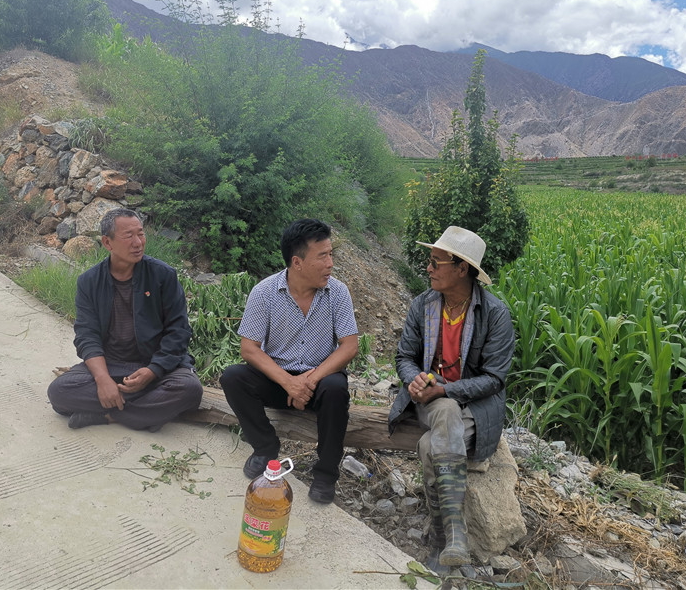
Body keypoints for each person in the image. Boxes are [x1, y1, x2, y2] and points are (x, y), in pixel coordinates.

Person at [388, 226, 515, 570]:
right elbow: (404, 357)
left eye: (435, 262)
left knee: (430, 444)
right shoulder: (423, 305)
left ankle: (440, 537)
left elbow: (494, 379)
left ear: (461, 268)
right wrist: (414, 379)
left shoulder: (495, 314)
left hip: (474, 409)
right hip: (429, 401)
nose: (428, 268)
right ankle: (456, 533)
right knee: (443, 409)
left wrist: (446, 389)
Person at [220, 219, 358, 504]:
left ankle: (326, 473)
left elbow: (349, 346)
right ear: (297, 262)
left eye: (331, 254)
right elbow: (249, 348)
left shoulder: (337, 292)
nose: (330, 264)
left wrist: (309, 380)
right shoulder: (265, 292)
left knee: (336, 389)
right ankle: (265, 447)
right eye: (323, 256)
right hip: (277, 380)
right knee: (233, 378)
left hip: (320, 380)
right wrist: (288, 382)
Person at [47, 208, 203, 431]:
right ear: (107, 242)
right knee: (59, 392)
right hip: (112, 364)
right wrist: (103, 380)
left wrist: (153, 370)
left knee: (190, 389)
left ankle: (108, 416)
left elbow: (179, 331)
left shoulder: (163, 275)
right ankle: (147, 412)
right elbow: (87, 336)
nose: (138, 242)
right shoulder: (89, 282)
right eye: (129, 236)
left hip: (156, 364)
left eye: (141, 234)